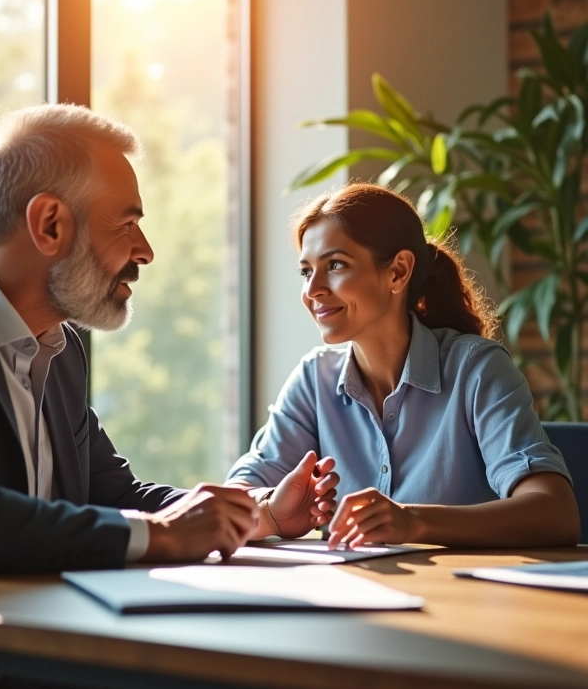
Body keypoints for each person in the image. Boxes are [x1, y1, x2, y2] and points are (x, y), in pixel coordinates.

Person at [0, 103, 297, 689]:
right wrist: (166, 534)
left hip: (24, 654)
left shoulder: (60, 347)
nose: (146, 251)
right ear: (49, 224)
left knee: (258, 684)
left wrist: (250, 514)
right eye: (127, 224)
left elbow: (113, 494)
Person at [228, 183, 580, 550]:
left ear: (398, 271)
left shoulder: (476, 369)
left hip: (464, 601)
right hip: (350, 602)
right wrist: (269, 509)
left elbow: (555, 513)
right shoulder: (313, 380)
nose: (313, 289)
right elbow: (234, 496)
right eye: (306, 271)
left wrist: (411, 520)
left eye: (335, 265)